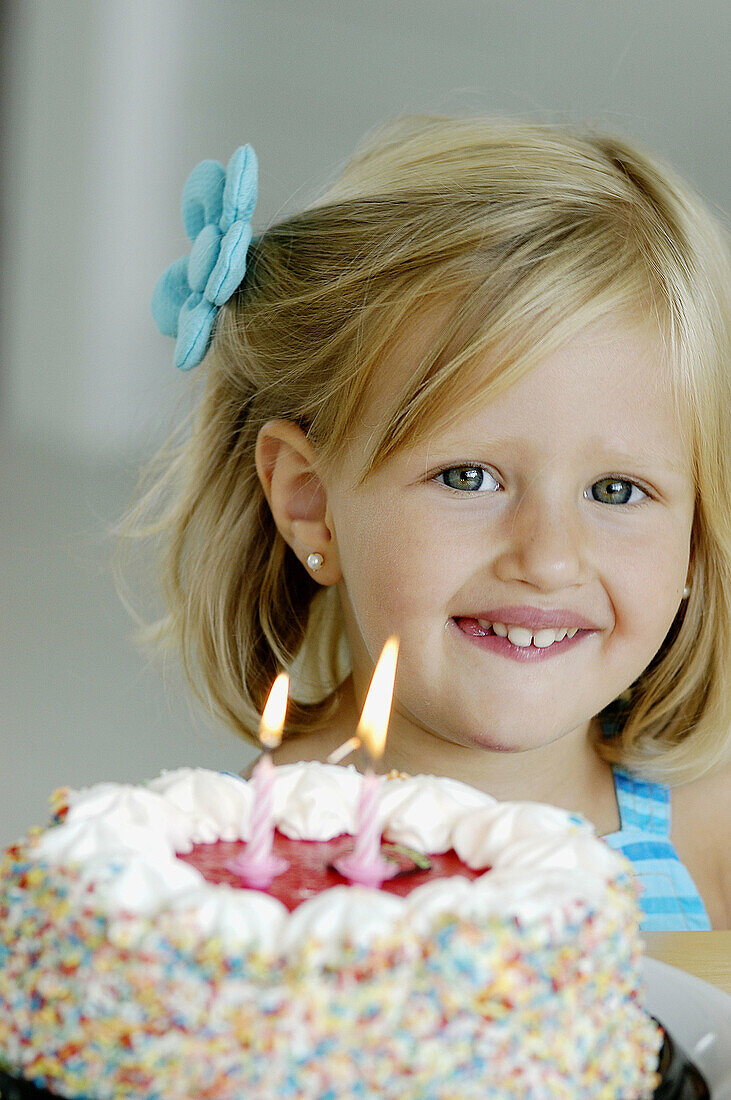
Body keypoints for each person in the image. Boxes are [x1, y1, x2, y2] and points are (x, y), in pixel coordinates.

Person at [134, 114, 730, 930]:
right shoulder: (253, 869)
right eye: (468, 476)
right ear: (312, 504)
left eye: (617, 492)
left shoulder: (711, 836)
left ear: (698, 535)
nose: (548, 560)